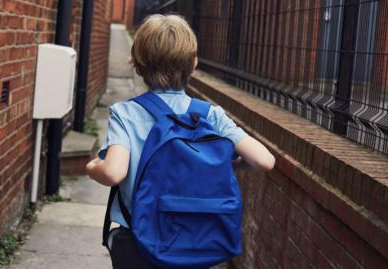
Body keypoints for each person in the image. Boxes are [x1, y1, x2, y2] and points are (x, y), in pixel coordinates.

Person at [86, 14, 275, 269]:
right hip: (196, 240)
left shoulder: (126, 113)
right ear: (193, 64)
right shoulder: (210, 115)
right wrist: (229, 165)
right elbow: (265, 161)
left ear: (138, 65)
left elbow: (112, 172)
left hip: (139, 241)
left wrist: (92, 167)